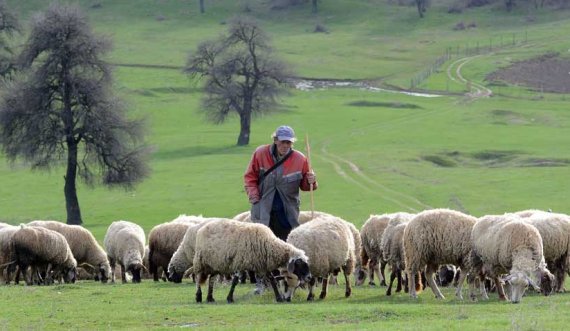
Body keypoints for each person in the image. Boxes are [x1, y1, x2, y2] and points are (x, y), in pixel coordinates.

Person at [244, 125, 317, 241]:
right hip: (263, 210)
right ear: (275, 140)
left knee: (286, 246)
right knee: (262, 245)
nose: (285, 146)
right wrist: (254, 197)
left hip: (287, 214)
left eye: (289, 142)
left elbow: (306, 186)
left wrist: (311, 181)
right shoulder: (260, 153)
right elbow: (250, 177)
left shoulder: (300, 159)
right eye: (282, 142)